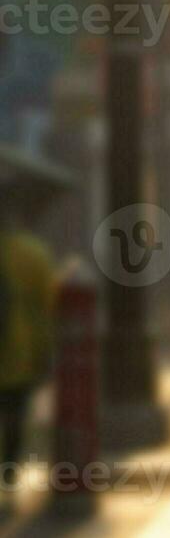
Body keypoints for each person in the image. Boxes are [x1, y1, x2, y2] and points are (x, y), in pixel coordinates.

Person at [0, 205, 57, 517]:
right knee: (14, 419)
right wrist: (46, 354)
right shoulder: (32, 253)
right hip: (18, 354)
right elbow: (48, 308)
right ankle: (7, 480)